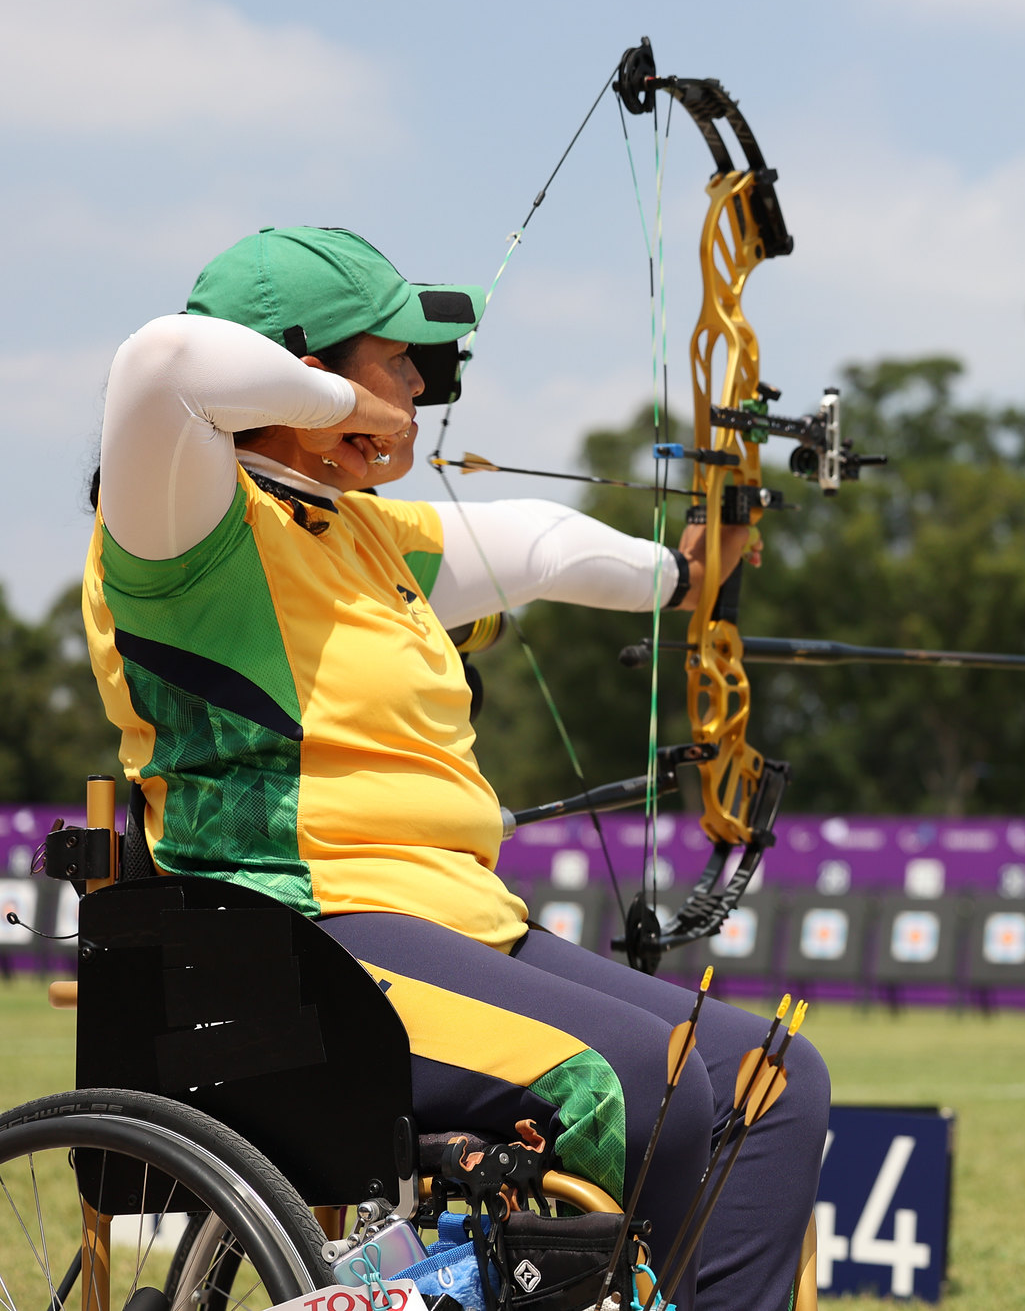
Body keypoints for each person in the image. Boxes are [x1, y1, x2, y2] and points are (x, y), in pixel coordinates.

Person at [82, 226, 826, 1311]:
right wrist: (352, 403)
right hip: (300, 933)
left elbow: (537, 545)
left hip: (457, 923)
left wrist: (680, 576)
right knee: (635, 1078)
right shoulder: (184, 530)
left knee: (773, 1080)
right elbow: (162, 361)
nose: (420, 390)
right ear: (306, 369)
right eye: (398, 362)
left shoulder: (365, 535)